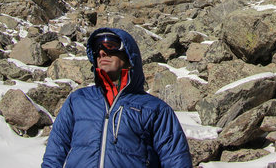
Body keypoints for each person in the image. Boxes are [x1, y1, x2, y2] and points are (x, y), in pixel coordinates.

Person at [42, 27, 192, 168]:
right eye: (97, 48)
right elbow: (55, 151)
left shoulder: (154, 108)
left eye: (110, 45)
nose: (102, 52)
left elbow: (176, 160)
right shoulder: (78, 100)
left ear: (129, 54)